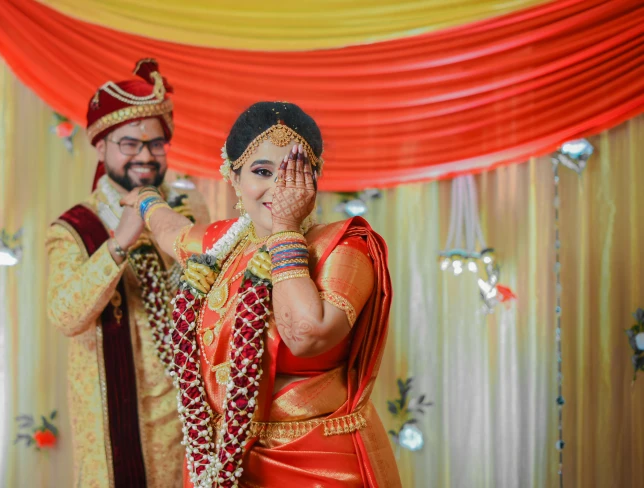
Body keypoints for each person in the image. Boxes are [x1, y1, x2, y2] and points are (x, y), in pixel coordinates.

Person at [125, 101, 401, 487]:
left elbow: (306, 334)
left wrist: (286, 230)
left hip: (318, 463)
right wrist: (144, 201)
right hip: (224, 461)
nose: (278, 187)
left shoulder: (343, 246)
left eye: (293, 171)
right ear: (233, 178)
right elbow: (172, 233)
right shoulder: (225, 243)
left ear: (315, 177)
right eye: (261, 171)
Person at [46, 59, 208, 487]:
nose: (145, 155)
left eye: (156, 144)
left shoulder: (189, 211)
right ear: (100, 147)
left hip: (191, 411)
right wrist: (119, 241)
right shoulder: (74, 229)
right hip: (118, 419)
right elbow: (65, 315)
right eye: (129, 143)